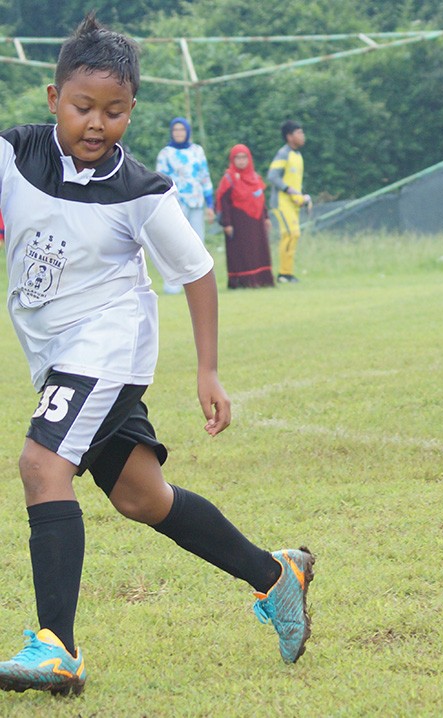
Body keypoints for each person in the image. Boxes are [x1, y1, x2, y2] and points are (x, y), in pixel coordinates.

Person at [0, 15, 314, 696]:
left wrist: (207, 369)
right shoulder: (13, 155)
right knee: (143, 498)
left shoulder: (141, 192)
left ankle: (57, 649)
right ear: (54, 99)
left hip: (107, 349)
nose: (96, 124)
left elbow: (198, 272)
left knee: (40, 464)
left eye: (114, 112)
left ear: (132, 111)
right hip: (59, 357)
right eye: (83, 107)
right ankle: (275, 576)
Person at [155, 117, 214, 294]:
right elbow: (160, 180)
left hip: (196, 201)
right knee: (174, 243)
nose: (179, 133)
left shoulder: (197, 151)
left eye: (182, 130)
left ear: (187, 132)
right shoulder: (166, 153)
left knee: (197, 242)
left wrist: (210, 204)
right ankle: (172, 286)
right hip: (175, 204)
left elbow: (204, 176)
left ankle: (199, 285)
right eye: (176, 130)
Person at [217, 144, 275, 289]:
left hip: (256, 222)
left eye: (244, 158)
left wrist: (266, 217)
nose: (241, 161)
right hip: (239, 223)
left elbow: (260, 199)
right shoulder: (229, 179)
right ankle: (243, 282)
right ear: (232, 160)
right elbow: (224, 202)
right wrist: (227, 223)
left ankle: (261, 280)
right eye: (238, 158)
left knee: (258, 250)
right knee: (241, 252)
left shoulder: (255, 178)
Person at [267, 119, 311, 284]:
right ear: (289, 136)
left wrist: (302, 198)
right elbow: (272, 176)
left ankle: (288, 273)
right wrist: (288, 190)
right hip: (281, 202)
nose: (302, 136)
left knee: (294, 235)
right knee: (290, 234)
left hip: (294, 203)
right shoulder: (283, 153)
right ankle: (283, 274)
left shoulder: (298, 155)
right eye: (299, 133)